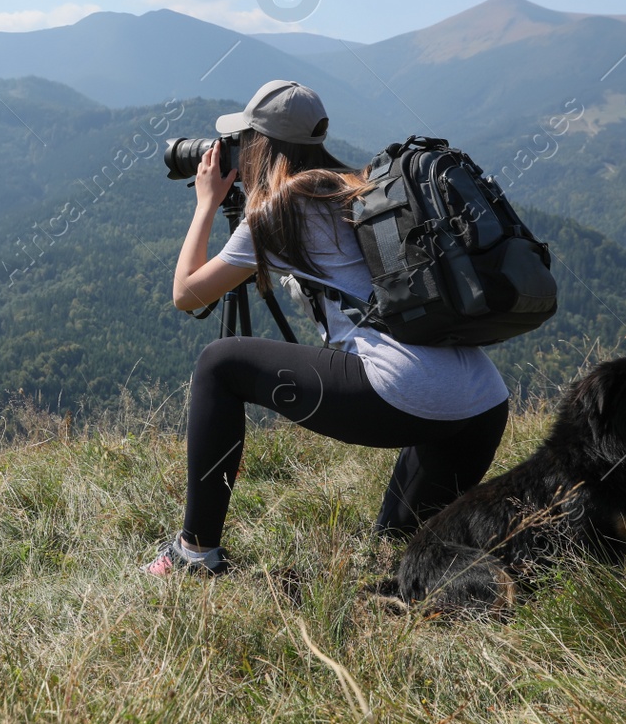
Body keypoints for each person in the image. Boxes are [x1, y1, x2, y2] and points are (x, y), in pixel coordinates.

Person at [144, 80, 510, 576]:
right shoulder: (365, 188)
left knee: (220, 363)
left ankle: (193, 552)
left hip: (406, 395)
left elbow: (186, 294)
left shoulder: (279, 213)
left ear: (259, 144)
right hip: (483, 404)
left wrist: (207, 202)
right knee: (395, 550)